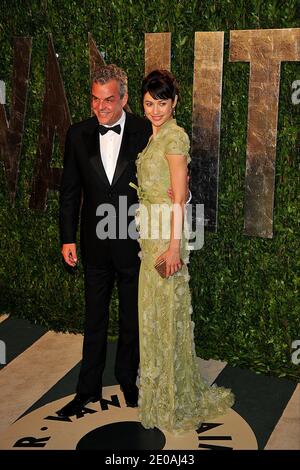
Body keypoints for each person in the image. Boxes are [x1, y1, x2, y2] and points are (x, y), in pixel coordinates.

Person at [136, 69, 234, 434]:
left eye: (162, 103)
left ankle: (171, 399)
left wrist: (175, 245)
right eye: (149, 103)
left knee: (165, 318)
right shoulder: (154, 136)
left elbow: (178, 198)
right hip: (151, 237)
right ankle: (164, 395)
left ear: (174, 102)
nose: (156, 110)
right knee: (157, 319)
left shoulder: (174, 138)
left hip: (166, 239)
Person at [57, 64, 153, 417]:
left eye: (109, 100)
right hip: (95, 244)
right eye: (96, 100)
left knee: (131, 318)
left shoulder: (145, 131)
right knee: (94, 318)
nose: (101, 108)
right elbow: (69, 192)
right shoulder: (77, 133)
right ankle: (87, 389)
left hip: (132, 240)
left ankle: (128, 380)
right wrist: (67, 238)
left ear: (125, 98)